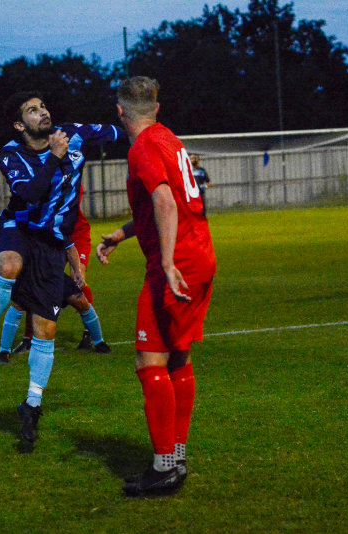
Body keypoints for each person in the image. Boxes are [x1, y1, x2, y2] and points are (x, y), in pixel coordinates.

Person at [0, 90, 122, 444]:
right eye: (32, 111)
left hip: (52, 243)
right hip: (20, 229)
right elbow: (30, 194)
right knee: (8, 264)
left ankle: (32, 406)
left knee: (45, 329)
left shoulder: (72, 133)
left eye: (43, 106)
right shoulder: (11, 154)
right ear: (20, 125)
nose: (42, 112)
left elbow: (120, 132)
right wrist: (54, 156)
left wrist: (146, 131)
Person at [96, 77, 216, 497]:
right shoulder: (169, 139)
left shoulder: (142, 147)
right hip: (200, 255)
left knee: (149, 361)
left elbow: (164, 201)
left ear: (119, 112)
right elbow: (166, 203)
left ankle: (164, 466)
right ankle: (176, 457)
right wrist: (122, 233)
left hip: (177, 261)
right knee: (178, 356)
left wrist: (165, 262)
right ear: (157, 109)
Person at [0, 235, 111, 365]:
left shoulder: (54, 224)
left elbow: (70, 248)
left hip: (53, 275)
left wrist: (77, 271)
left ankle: (99, 342)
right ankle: (4, 351)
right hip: (27, 276)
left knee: (81, 302)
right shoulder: (15, 225)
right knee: (18, 306)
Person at [10, 204, 110, 356]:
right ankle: (29, 339)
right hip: (53, 231)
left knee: (78, 281)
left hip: (76, 232)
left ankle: (90, 335)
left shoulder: (67, 190)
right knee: (38, 283)